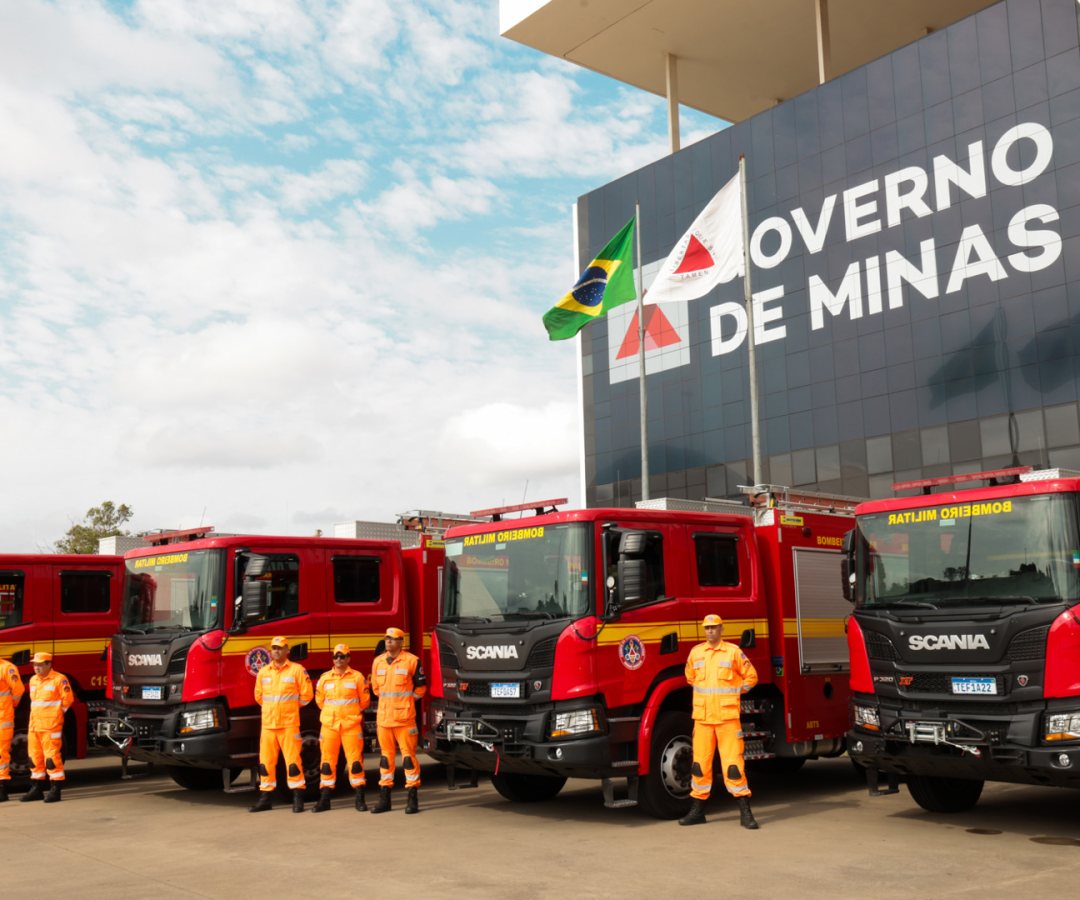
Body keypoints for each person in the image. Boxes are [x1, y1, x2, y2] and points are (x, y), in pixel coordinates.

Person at [680, 614, 760, 828]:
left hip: (727, 719)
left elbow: (752, 677)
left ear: (721, 629)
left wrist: (734, 693)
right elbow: (690, 677)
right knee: (699, 767)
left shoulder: (733, 652)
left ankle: (745, 813)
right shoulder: (695, 653)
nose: (710, 631)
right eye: (707, 628)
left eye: (714, 627)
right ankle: (697, 812)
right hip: (703, 719)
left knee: (734, 766)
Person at [249, 636, 314, 813]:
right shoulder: (263, 672)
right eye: (274, 648)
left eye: (280, 648)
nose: (276, 651)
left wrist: (289, 708)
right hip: (269, 725)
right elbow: (258, 696)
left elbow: (307, 695)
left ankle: (298, 798)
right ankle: (265, 799)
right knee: (266, 763)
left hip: (289, 724)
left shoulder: (297, 670)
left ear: (287, 651)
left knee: (293, 762)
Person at [369, 627, 426, 814]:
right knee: (385, 760)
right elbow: (376, 689)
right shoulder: (378, 662)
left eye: (393, 639)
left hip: (404, 720)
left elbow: (421, 688)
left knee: (408, 759)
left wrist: (408, 702)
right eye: (387, 638)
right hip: (384, 720)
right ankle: (385, 799)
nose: (389, 641)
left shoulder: (412, 661)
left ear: (401, 642)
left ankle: (412, 798)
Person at [311, 643, 370, 813]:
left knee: (355, 763)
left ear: (348, 658)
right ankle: (324, 800)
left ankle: (359, 799)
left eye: (342, 656)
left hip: (351, 725)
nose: (338, 659)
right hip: (329, 725)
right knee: (327, 763)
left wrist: (348, 714)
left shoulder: (358, 677)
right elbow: (320, 701)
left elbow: (365, 701)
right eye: (336, 656)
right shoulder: (324, 678)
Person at [21, 652, 74, 803]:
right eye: (34, 664)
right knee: (34, 759)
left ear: (49, 664)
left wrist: (57, 715)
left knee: (52, 759)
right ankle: (36, 790)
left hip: (51, 727)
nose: (36, 667)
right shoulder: (33, 680)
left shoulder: (59, 679)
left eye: (39, 665)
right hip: (34, 727)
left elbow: (68, 700)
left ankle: (55, 791)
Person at [0, 654, 26, 802]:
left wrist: (11, 706)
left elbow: (18, 690)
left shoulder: (7, 668)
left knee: (2, 754)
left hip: (3, 717)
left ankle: (2, 789)